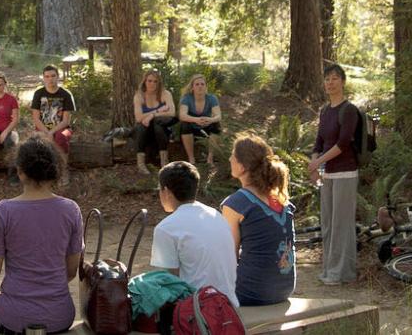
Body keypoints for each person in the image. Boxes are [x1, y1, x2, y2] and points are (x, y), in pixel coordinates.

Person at [0, 140, 84, 334]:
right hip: (59, 316)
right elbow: (71, 270)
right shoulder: (71, 210)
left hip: (14, 317)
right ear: (54, 171)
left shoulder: (2, 212)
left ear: (20, 171)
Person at [221, 136, 296, 306]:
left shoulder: (236, 204)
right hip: (285, 288)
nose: (229, 159)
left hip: (252, 291)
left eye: (233, 155)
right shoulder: (282, 200)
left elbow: (228, 257)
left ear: (242, 167)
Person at [150, 161, 239, 301]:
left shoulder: (166, 228)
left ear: (166, 191)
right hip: (230, 305)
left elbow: (167, 281)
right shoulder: (216, 215)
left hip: (196, 313)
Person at [309, 63, 361, 285]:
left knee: (342, 223)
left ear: (343, 81)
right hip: (327, 175)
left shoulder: (349, 110)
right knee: (328, 224)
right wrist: (316, 167)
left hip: (345, 174)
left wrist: (319, 162)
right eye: (327, 79)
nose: (330, 83)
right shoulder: (325, 110)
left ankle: (342, 272)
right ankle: (331, 269)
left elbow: (342, 143)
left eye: (334, 79)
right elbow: (319, 142)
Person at [132, 70, 178, 174]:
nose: (152, 84)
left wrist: (152, 115)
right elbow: (138, 118)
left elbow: (172, 113)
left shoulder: (165, 94)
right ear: (144, 81)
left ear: (159, 83)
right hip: (146, 132)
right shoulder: (139, 96)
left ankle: (164, 163)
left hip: (162, 131)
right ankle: (141, 164)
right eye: (149, 81)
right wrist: (158, 110)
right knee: (140, 126)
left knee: (158, 123)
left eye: (155, 81)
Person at [173, 74, 224, 165]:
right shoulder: (187, 98)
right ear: (192, 87)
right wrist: (196, 120)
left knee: (217, 125)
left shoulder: (212, 98)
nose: (200, 86)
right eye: (197, 84)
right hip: (191, 128)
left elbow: (218, 116)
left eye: (202, 84)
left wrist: (210, 120)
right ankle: (191, 159)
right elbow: (182, 115)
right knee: (184, 124)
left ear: (205, 86)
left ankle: (210, 158)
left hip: (206, 127)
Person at [28, 65, 76, 153]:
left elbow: (66, 121)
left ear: (58, 76)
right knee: (37, 140)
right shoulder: (38, 94)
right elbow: (36, 118)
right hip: (42, 128)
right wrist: (47, 132)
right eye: (47, 76)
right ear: (43, 78)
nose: (50, 79)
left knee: (61, 137)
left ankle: (62, 164)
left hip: (63, 129)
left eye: (53, 76)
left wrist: (51, 132)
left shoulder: (66, 94)